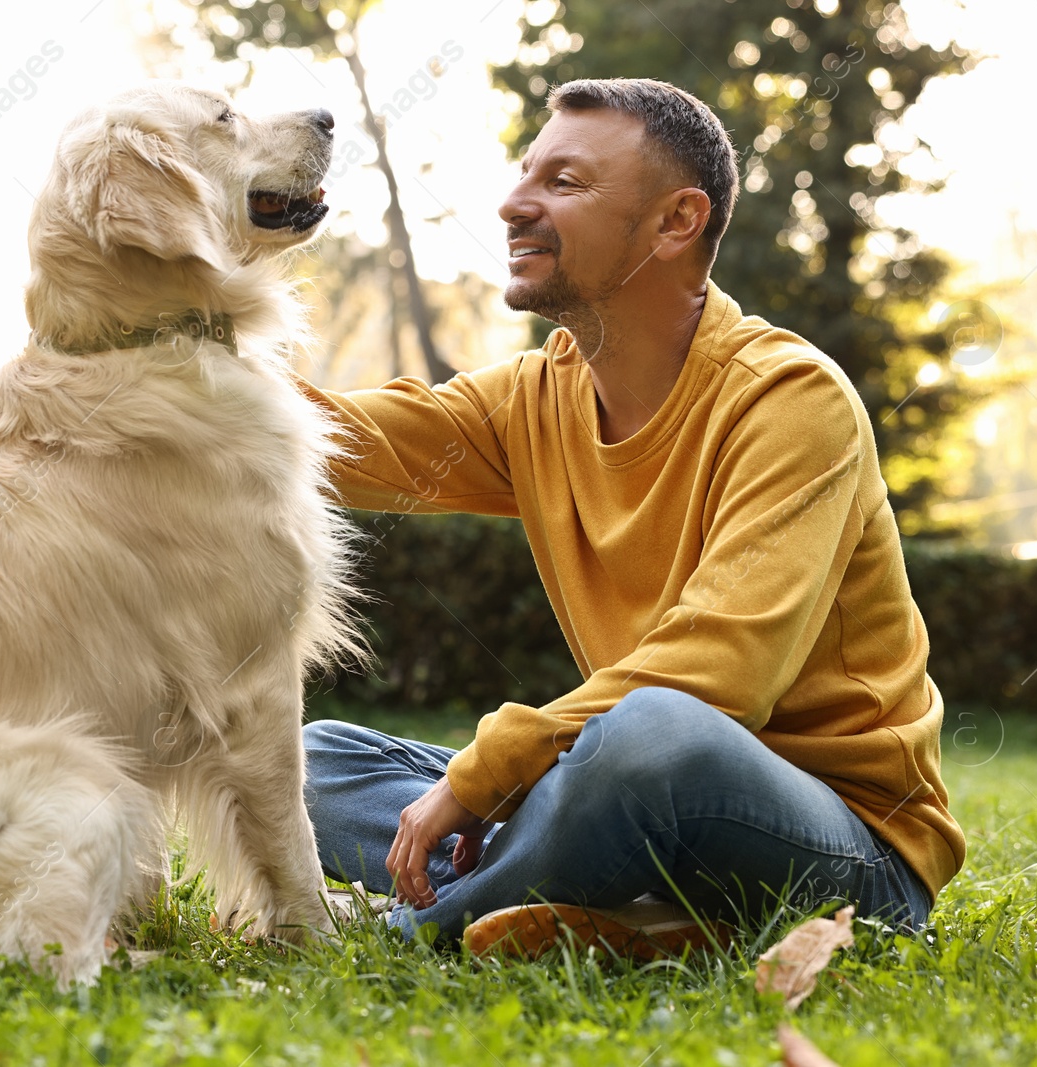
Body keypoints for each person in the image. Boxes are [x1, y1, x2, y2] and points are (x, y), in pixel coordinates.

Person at [294, 77, 964, 957]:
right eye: (525, 173)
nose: (512, 203)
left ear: (675, 222)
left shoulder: (790, 399)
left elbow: (722, 672)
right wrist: (152, 336)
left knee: (653, 735)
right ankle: (623, 905)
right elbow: (326, 436)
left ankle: (417, 927)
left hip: (850, 846)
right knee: (312, 760)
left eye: (563, 183)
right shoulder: (534, 398)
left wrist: (496, 763)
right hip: (628, 782)